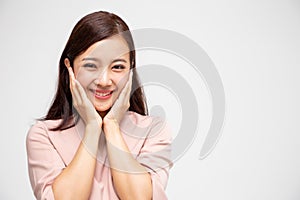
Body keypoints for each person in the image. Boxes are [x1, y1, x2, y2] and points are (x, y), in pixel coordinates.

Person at [26, 11, 172, 200]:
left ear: (131, 70)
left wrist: (111, 126)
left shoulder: (153, 131)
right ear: (69, 68)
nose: (104, 81)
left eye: (118, 67)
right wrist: (92, 128)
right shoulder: (44, 135)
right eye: (91, 66)